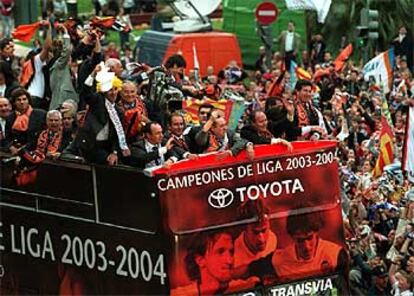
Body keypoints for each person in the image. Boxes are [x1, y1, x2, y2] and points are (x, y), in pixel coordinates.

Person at [234, 209, 348, 286]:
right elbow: (248, 270)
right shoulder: (279, 259)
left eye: (309, 238)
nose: (306, 247)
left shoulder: (335, 255)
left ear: (316, 232)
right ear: (292, 237)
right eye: (300, 241)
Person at [71, 64, 130, 165]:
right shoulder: (98, 100)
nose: (113, 93)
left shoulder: (118, 111)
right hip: (89, 144)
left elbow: (118, 135)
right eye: (110, 90)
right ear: (104, 91)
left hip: (104, 146)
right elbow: (86, 92)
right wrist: (93, 74)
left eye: (116, 89)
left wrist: (114, 152)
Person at [171, 231, 236, 296]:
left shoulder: (241, 287)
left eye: (231, 252)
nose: (230, 260)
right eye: (220, 252)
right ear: (200, 260)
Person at [234, 200, 277, 288]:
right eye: (255, 232)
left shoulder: (272, 238)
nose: (261, 239)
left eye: (264, 230)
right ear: (244, 229)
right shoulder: (233, 256)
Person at [5, 88, 46, 155]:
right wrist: (10, 146)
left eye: (24, 99)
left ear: (28, 100)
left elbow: (40, 136)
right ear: (14, 102)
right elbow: (7, 138)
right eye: (18, 100)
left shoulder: (40, 114)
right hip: (15, 151)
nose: (22, 102)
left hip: (33, 151)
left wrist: (24, 149)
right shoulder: (10, 117)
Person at [48, 24, 79, 111]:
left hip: (70, 104)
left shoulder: (65, 68)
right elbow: (67, 50)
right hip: (60, 105)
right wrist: (65, 32)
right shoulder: (59, 65)